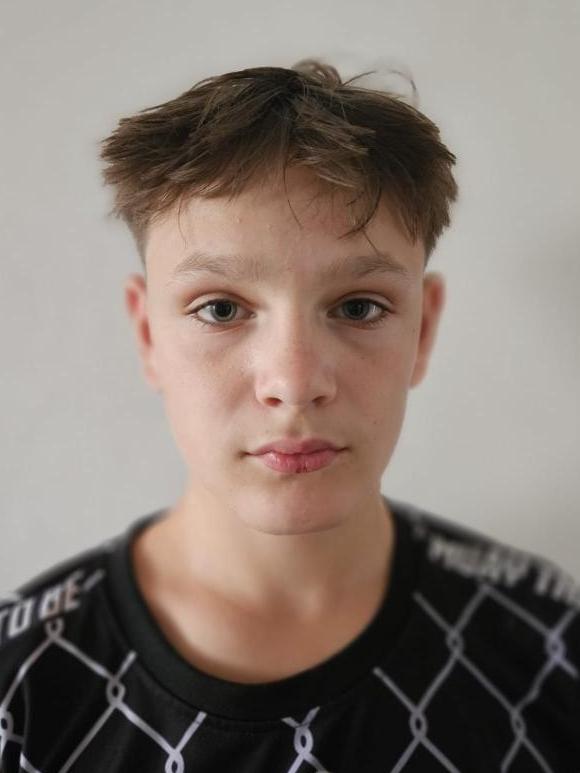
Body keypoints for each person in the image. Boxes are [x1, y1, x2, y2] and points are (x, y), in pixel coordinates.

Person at [1, 59, 578, 773]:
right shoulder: (20, 689)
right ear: (148, 333)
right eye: (221, 309)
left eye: (358, 307)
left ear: (423, 330)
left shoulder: (550, 642)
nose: (295, 383)